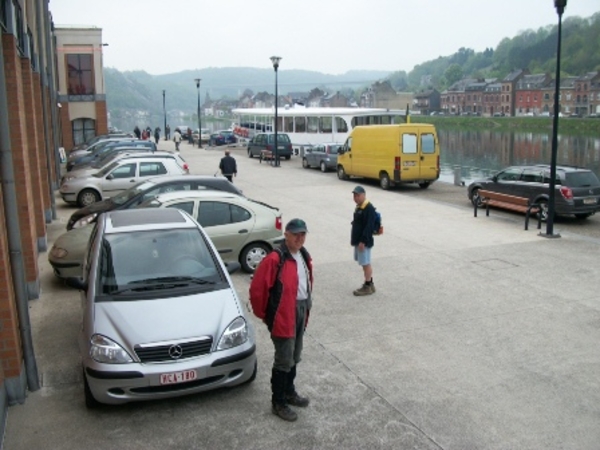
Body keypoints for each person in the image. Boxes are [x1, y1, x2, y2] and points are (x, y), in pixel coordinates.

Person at [249, 218, 313, 422]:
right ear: (286, 234)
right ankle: (278, 402)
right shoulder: (275, 259)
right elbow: (258, 290)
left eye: (303, 234)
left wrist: (305, 308)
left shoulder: (303, 254)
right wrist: (266, 316)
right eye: (296, 234)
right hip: (283, 315)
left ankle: (289, 391)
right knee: (284, 359)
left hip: (300, 311)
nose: (299, 238)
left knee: (295, 355)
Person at [350, 185, 376, 296]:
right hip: (359, 241)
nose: (356, 198)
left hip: (363, 242)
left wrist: (363, 241)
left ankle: (368, 285)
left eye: (358, 195)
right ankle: (370, 284)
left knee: (365, 263)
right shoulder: (359, 207)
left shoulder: (368, 208)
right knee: (364, 262)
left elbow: (369, 227)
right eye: (354, 195)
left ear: (364, 195)